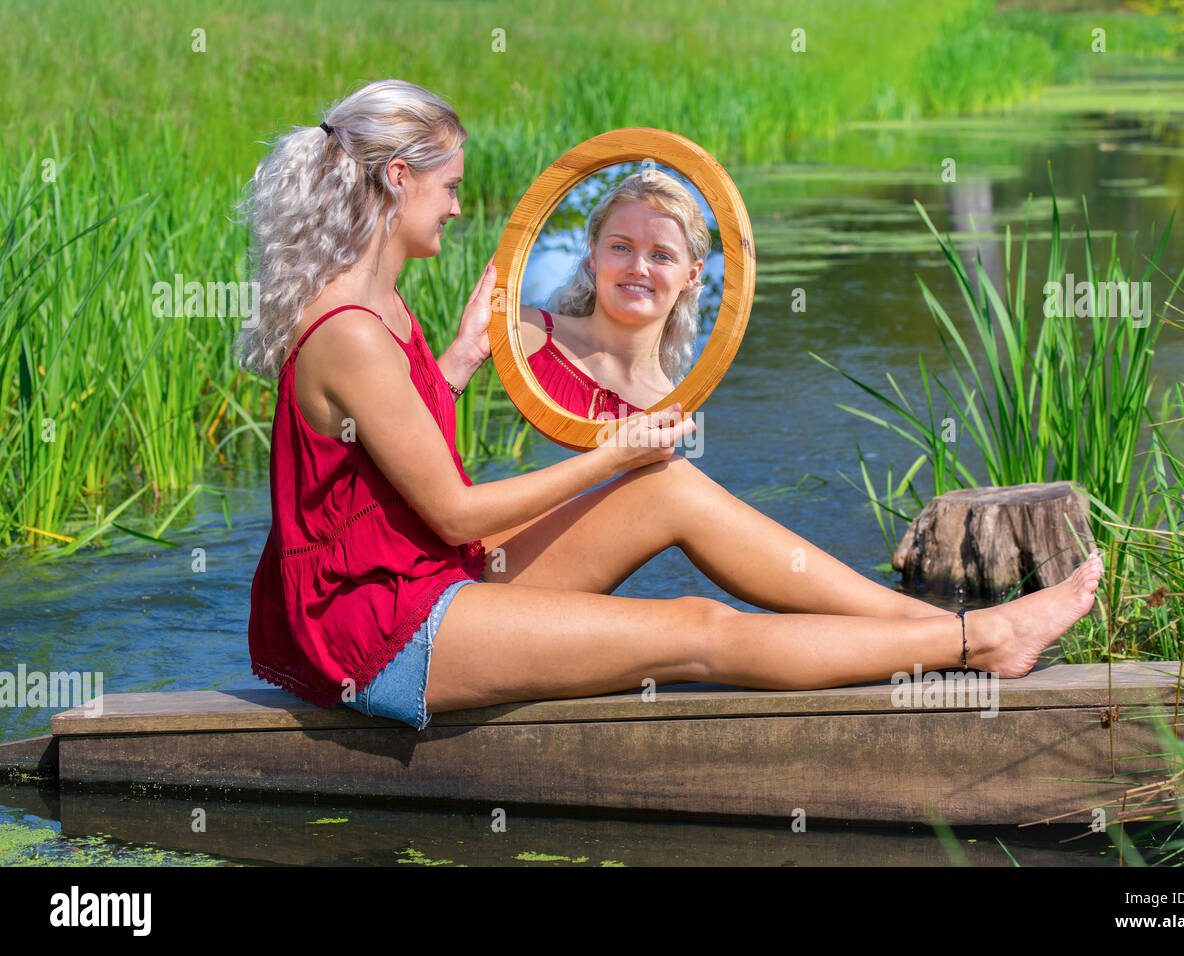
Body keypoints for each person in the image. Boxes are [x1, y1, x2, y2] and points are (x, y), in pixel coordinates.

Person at [238, 79, 1104, 731]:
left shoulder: (385, 307)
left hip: (423, 572)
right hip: (379, 631)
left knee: (671, 491)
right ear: (398, 177)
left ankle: (944, 626)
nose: (461, 207)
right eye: (449, 188)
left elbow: (388, 465)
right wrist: (608, 457)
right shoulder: (348, 327)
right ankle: (974, 645)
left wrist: (460, 362)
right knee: (693, 630)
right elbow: (455, 505)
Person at [522, 169, 706, 420]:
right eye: (621, 247)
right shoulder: (523, 332)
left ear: (691, 276)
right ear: (594, 255)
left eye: (661, 256)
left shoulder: (668, 408)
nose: (638, 269)